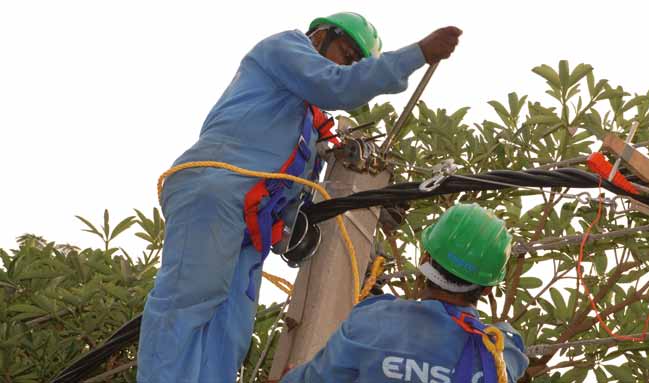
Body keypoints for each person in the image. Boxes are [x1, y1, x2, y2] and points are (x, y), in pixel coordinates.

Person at [136, 11, 462, 383]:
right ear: (321, 35)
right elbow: (338, 85)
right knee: (189, 302)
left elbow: (297, 202)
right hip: (215, 189)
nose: (348, 65)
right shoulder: (283, 48)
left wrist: (369, 210)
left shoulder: (306, 126)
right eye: (347, 54)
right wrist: (418, 53)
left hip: (249, 225)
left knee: (230, 330)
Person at [280, 203, 529, 383]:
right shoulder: (497, 351)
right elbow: (513, 356)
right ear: (487, 288)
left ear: (425, 258)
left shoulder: (373, 320)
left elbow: (320, 377)